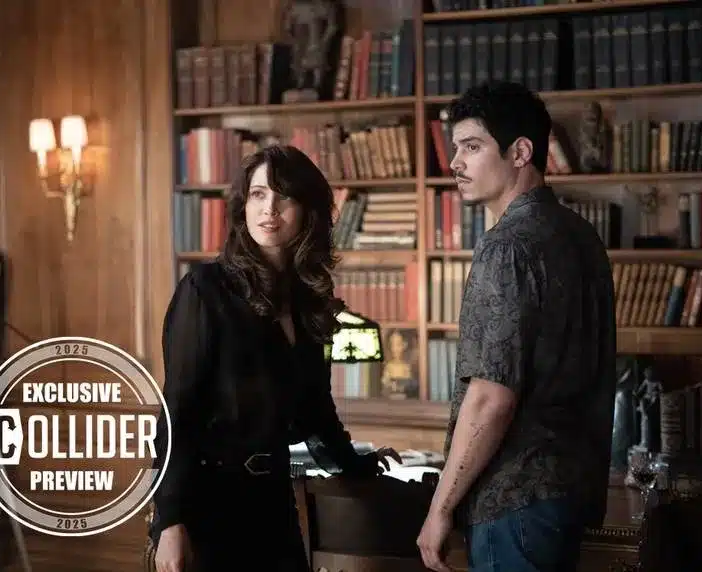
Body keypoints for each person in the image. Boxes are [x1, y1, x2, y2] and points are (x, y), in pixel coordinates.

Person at [150, 144, 399, 572]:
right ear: (243, 207)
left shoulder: (306, 301)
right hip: (208, 504)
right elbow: (177, 414)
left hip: (274, 501)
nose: (270, 209)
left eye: (284, 197)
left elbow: (317, 410)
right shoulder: (205, 289)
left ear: (307, 211)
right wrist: (169, 521)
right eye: (258, 195)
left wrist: (354, 463)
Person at [416, 82, 617, 572]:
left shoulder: (505, 246)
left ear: (521, 152)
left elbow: (492, 397)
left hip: (513, 498)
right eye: (456, 148)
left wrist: (440, 509)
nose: (455, 163)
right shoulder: (582, 235)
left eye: (471, 146)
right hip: (571, 488)